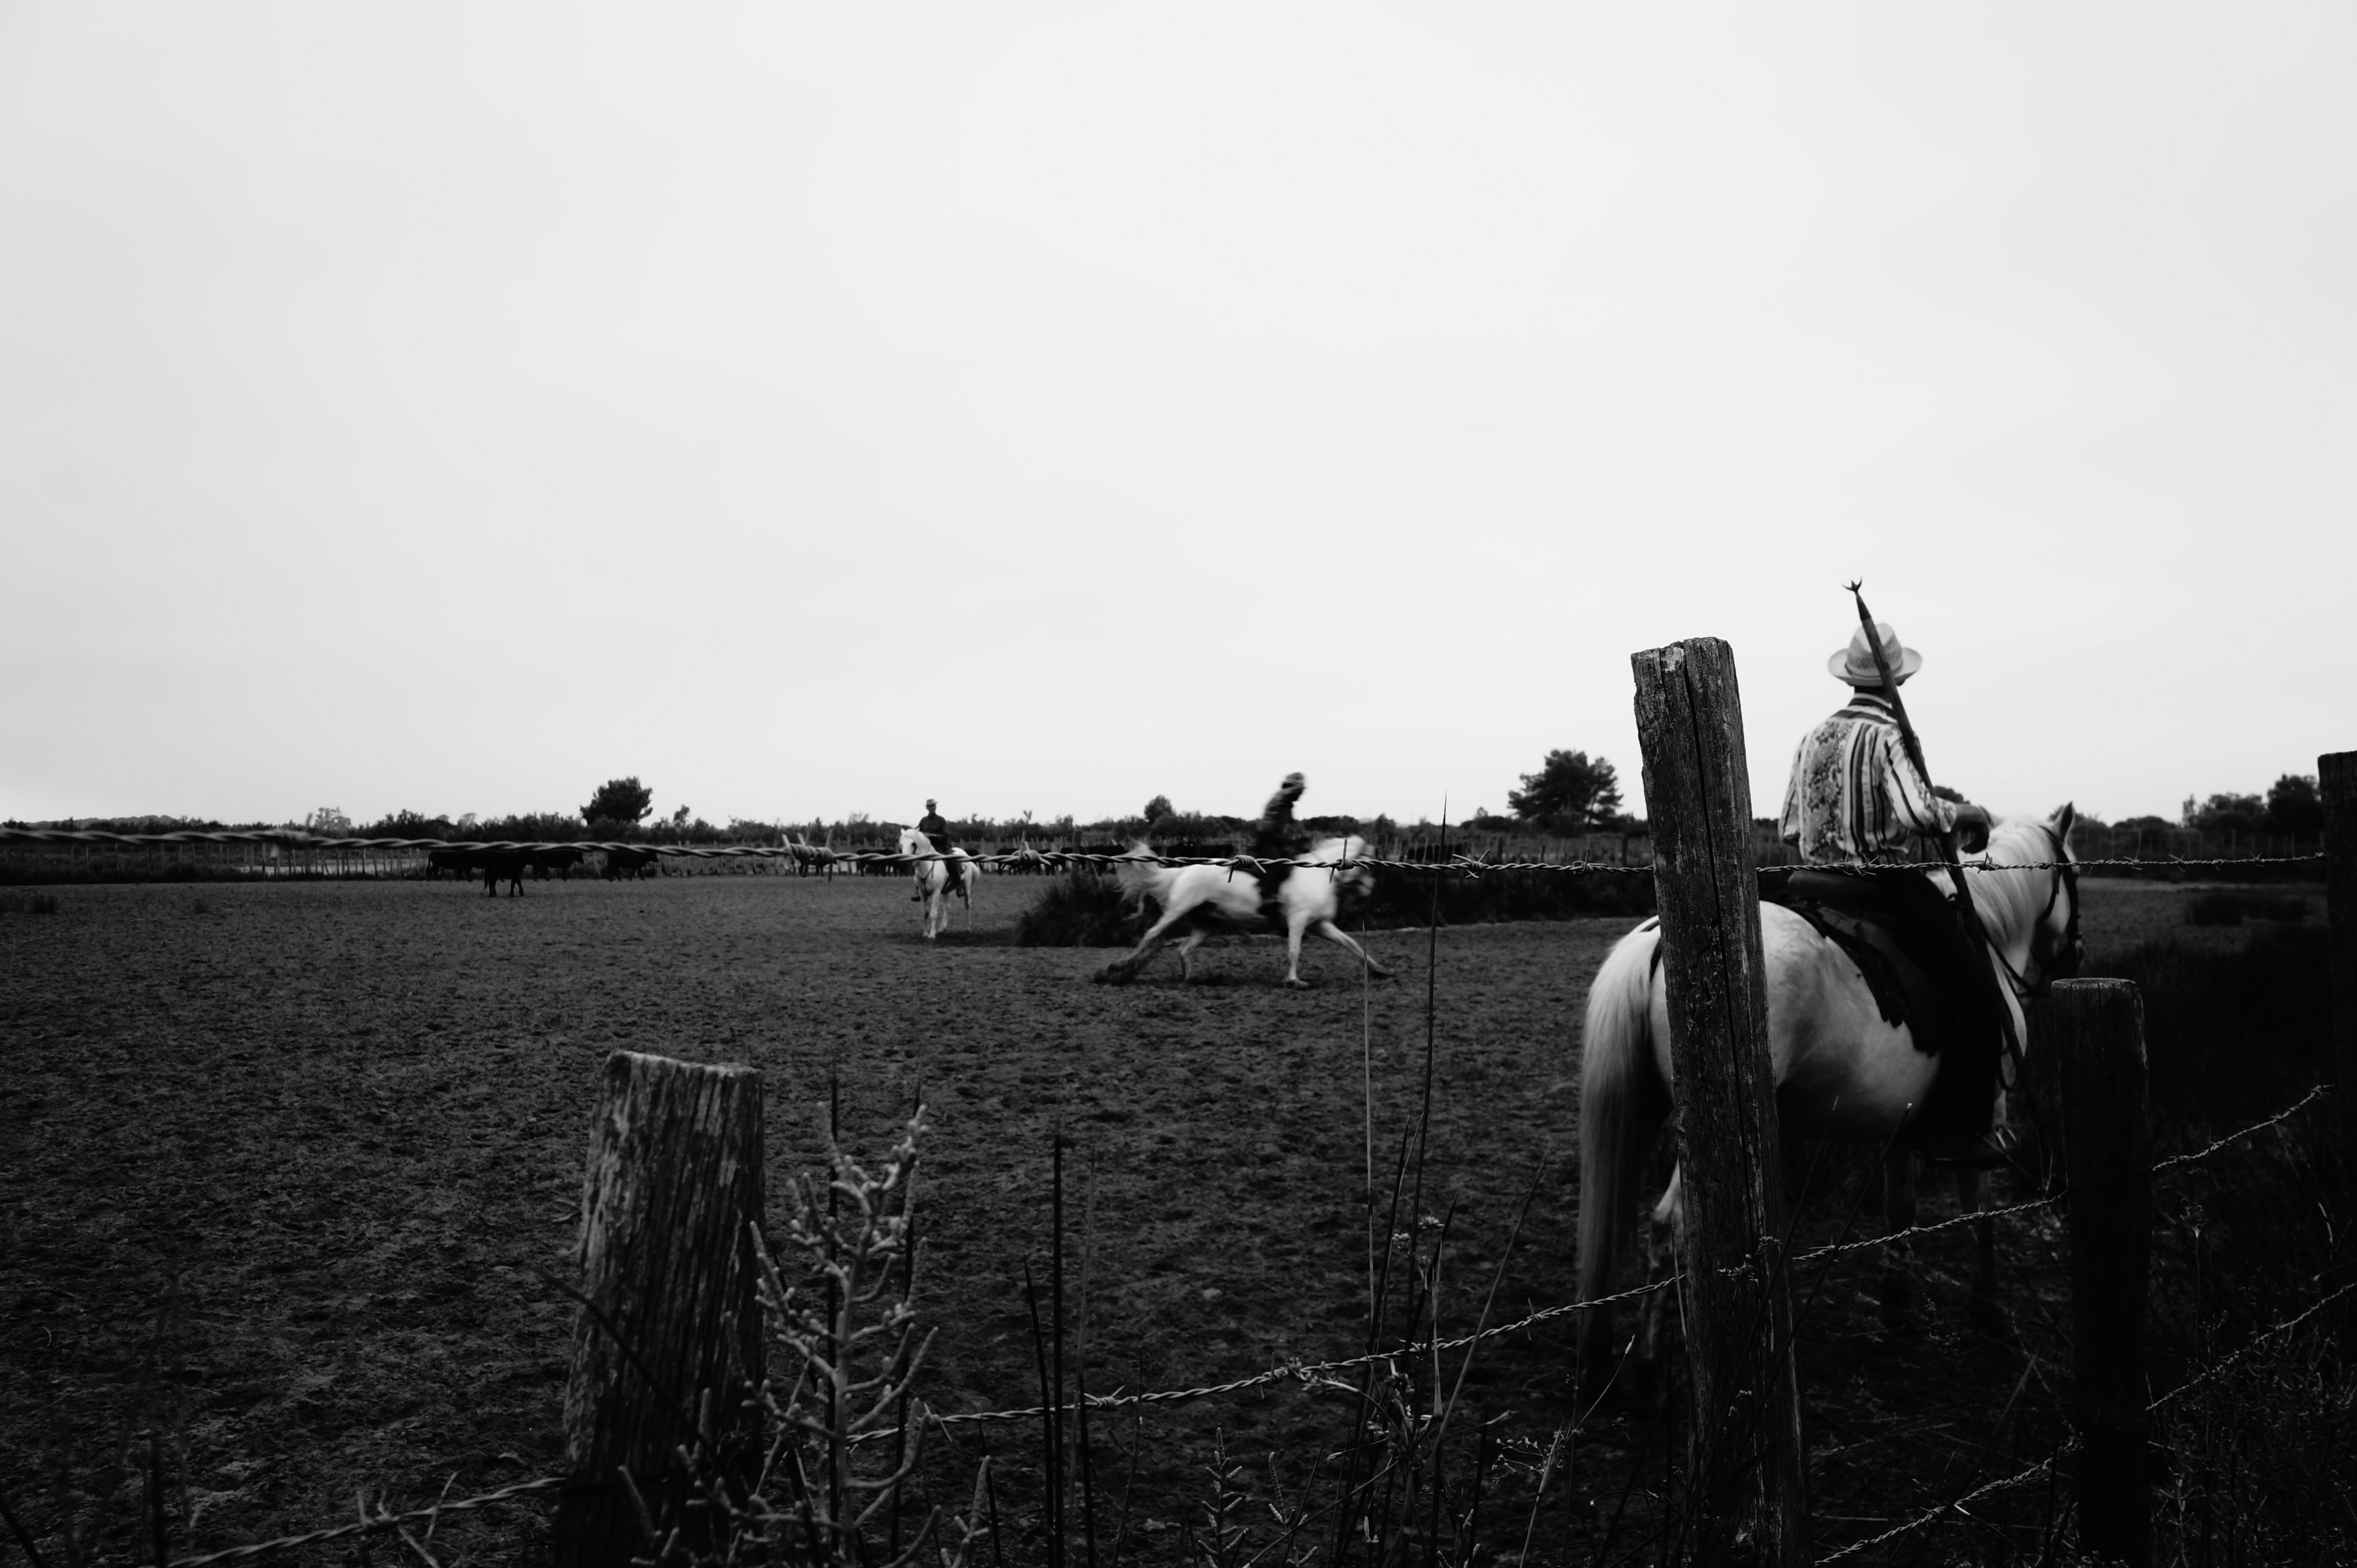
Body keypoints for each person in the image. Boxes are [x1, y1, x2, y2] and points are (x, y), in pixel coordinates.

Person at [1776, 620, 2012, 1167]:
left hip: (1811, 885)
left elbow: (1790, 827)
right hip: (1879, 888)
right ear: (1896, 680)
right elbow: (1920, 814)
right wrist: (1967, 813)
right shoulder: (1891, 734)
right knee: (1977, 991)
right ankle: (1958, 1131)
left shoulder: (1813, 736)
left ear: (1852, 678)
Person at [1250, 772, 1309, 923]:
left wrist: (1299, 840)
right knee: (1276, 863)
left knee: (1291, 859)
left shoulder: (1288, 804)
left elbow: (1291, 825)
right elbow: (1276, 826)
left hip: (1273, 836)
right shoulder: (1284, 796)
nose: (1301, 794)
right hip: (1268, 836)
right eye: (1301, 791)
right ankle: (1267, 897)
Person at [914, 798, 964, 900]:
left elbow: (946, 834)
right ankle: (917, 890)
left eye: (934, 806)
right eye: (930, 806)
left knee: (952, 861)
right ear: (927, 808)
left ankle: (959, 886)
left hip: (941, 847)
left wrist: (932, 836)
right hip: (927, 848)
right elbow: (917, 832)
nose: (933, 807)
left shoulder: (941, 820)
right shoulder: (923, 821)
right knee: (916, 862)